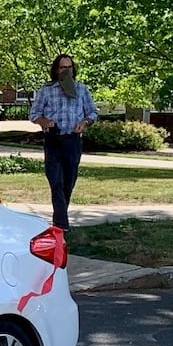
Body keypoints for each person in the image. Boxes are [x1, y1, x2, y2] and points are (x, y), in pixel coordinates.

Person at [30, 52, 99, 230]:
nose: (66, 71)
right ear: (56, 70)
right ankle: (61, 224)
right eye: (62, 68)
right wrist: (44, 122)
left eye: (69, 67)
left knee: (68, 181)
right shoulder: (46, 90)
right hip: (53, 139)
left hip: (73, 141)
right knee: (55, 181)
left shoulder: (82, 89)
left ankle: (60, 216)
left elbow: (93, 112)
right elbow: (34, 114)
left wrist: (85, 122)